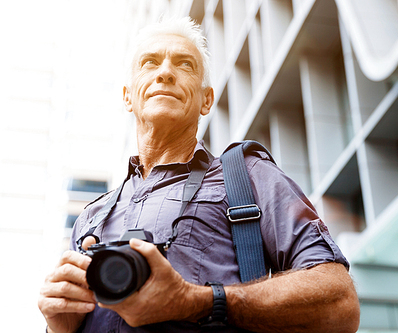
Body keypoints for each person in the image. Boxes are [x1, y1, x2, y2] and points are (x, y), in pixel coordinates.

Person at [38, 16, 360, 333]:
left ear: (207, 100)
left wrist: (199, 301)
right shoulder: (91, 218)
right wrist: (59, 327)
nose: (165, 72)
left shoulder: (246, 176)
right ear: (128, 96)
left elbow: (340, 303)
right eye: (150, 62)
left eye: (185, 65)